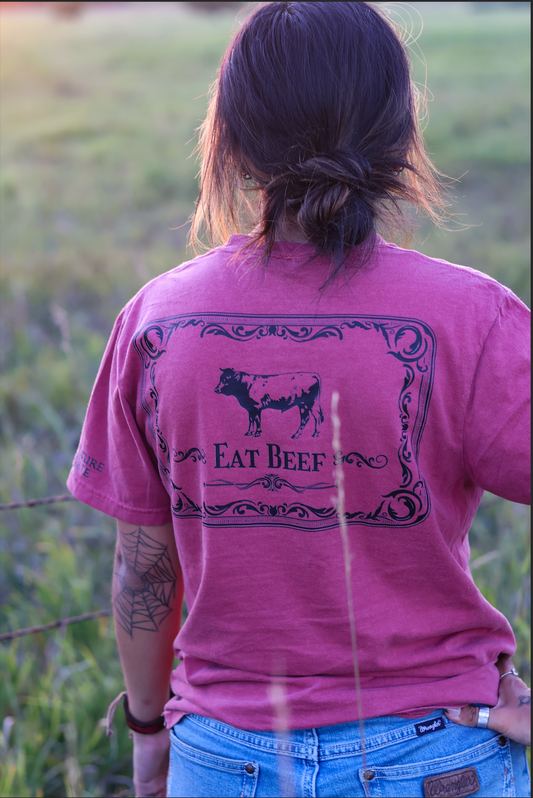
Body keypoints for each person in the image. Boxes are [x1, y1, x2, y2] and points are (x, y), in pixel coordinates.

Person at [67, 2, 531, 796]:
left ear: (231, 136)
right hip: (435, 753)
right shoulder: (471, 317)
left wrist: (148, 732)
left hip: (222, 755)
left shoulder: (158, 322)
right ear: (398, 131)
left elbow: (141, 570)